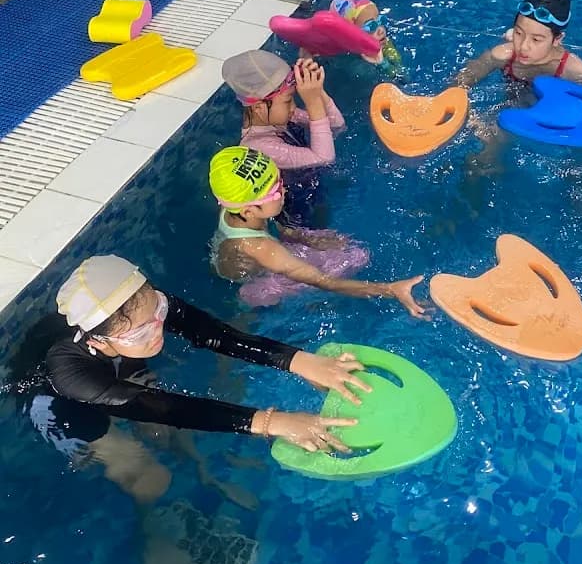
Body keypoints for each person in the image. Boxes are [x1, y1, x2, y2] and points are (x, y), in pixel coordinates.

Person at [20, 256, 370, 500]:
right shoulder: (70, 374)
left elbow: (212, 333)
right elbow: (165, 408)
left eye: (158, 313)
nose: (158, 332)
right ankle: (158, 535)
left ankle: (201, 464)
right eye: (143, 334)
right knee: (149, 476)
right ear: (98, 339)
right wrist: (268, 421)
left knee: (162, 427)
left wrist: (298, 361)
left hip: (115, 365)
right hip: (61, 402)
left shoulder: (134, 306)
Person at [209, 145, 426, 315]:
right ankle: (280, 308)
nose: (284, 189)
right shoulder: (263, 249)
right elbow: (323, 281)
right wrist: (389, 290)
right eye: (275, 191)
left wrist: (301, 237)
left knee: (340, 245)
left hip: (249, 257)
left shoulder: (234, 208)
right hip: (257, 285)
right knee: (355, 257)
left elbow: (271, 226)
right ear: (248, 211)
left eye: (279, 180)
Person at [223, 50, 344, 225]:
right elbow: (324, 158)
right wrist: (313, 102)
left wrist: (317, 92)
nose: (294, 107)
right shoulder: (259, 147)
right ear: (259, 108)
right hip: (296, 219)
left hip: (310, 191)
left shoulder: (282, 116)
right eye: (288, 101)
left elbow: (336, 125)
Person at [456, 0, 582, 91]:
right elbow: (459, 84)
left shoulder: (576, 72)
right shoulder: (502, 56)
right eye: (518, 33)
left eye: (536, 39)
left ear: (557, 39)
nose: (523, 46)